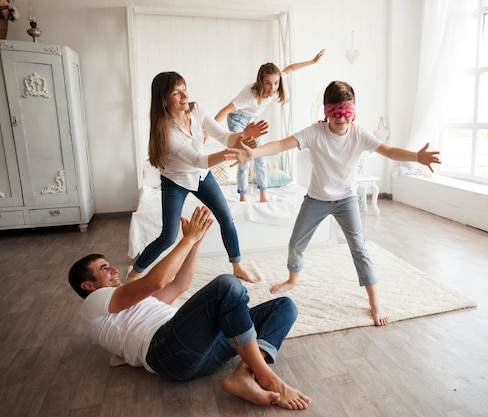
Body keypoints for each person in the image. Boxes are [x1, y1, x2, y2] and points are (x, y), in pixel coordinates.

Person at [235, 80, 441, 327]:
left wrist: (416, 157)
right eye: (335, 114)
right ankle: (293, 278)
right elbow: (281, 145)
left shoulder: (359, 134)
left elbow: (389, 151)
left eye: (346, 113)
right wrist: (253, 153)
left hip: (346, 200)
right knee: (296, 242)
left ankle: (375, 301)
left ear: (353, 111)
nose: (341, 119)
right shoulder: (315, 132)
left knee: (359, 248)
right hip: (316, 200)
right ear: (326, 112)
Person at [68, 206, 311, 410]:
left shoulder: (131, 304)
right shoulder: (94, 303)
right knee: (226, 286)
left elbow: (180, 284)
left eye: (109, 265)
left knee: (284, 306)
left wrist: (196, 244)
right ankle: (266, 377)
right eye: (103, 269)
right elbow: (155, 281)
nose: (113, 270)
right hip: (166, 352)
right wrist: (187, 239)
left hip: (201, 348)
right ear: (88, 285)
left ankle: (243, 374)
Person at [127, 71, 268, 283]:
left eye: (184, 88)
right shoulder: (165, 132)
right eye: (176, 92)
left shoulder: (197, 110)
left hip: (201, 176)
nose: (184, 95)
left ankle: (237, 266)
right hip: (176, 181)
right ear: (164, 100)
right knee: (168, 236)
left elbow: (222, 136)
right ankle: (134, 274)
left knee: (226, 218)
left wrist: (243, 135)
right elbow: (198, 160)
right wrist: (233, 151)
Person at [215, 49, 326, 202]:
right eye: (268, 83)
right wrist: (209, 131)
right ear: (261, 82)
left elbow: (290, 68)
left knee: (260, 155)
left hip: (253, 119)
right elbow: (225, 110)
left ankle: (263, 195)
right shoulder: (248, 96)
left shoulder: (276, 86)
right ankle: (243, 195)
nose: (273, 88)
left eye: (275, 83)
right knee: (245, 157)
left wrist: (312, 61)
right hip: (237, 120)